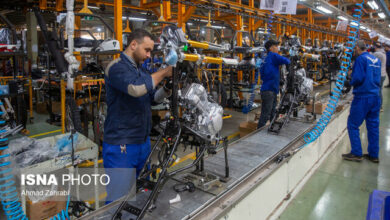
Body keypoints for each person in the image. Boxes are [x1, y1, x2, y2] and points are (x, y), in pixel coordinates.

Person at [103, 29, 173, 203]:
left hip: (142, 143)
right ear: (133, 44)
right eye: (147, 50)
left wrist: (167, 89)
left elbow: (151, 98)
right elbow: (136, 89)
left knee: (142, 194)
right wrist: (164, 72)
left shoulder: (140, 71)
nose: (149, 55)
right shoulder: (116, 67)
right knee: (119, 200)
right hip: (122, 145)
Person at [342, 40, 381, 163]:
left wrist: (349, 82)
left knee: (352, 124)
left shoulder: (360, 59)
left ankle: (356, 153)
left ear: (358, 48)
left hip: (363, 97)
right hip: (376, 96)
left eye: (354, 50)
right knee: (373, 126)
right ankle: (374, 155)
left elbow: (358, 78)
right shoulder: (376, 60)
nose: (354, 52)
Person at [257, 40, 290, 129]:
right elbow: (286, 61)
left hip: (268, 89)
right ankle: (258, 133)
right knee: (266, 114)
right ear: (271, 48)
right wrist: (289, 58)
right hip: (270, 90)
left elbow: (263, 74)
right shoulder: (273, 55)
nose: (277, 48)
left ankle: (272, 128)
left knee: (272, 112)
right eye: (276, 46)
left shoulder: (265, 58)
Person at [372, 42, 386, 111]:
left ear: (375, 47)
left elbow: (371, 61)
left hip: (379, 74)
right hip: (383, 74)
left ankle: (379, 106)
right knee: (380, 90)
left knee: (378, 90)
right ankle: (380, 105)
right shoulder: (383, 52)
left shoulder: (377, 54)